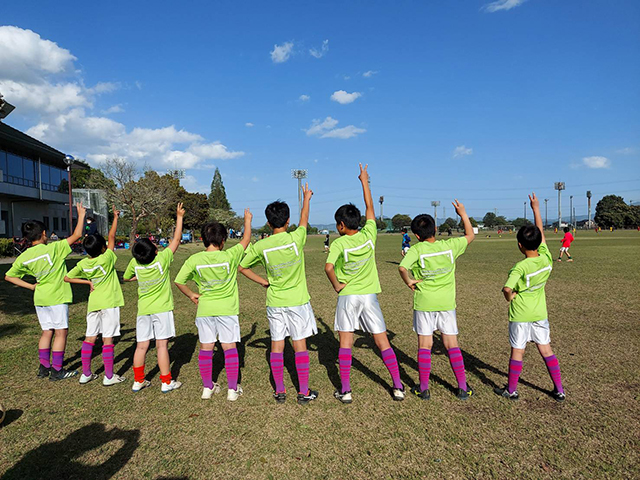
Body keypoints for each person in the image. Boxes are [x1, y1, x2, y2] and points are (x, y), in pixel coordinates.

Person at [325, 164, 405, 404]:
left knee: (345, 342)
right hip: (369, 296)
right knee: (382, 341)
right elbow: (370, 206)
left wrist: (337, 285)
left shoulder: (338, 244)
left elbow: (328, 268)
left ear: (340, 225)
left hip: (348, 296)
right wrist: (364, 181)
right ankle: (398, 386)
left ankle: (346, 391)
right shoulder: (370, 234)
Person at [239, 185, 319, 405]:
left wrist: (263, 281)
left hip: (274, 301)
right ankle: (303, 391)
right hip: (298, 301)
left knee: (276, 345)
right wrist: (307, 198)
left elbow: (242, 267)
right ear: (287, 221)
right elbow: (304, 218)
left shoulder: (261, 246)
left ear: (267, 223)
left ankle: (280, 391)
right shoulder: (297, 238)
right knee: (299, 344)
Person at [398, 200, 475, 401]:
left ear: (416, 236)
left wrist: (409, 282)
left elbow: (402, 268)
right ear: (436, 229)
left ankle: (423, 389)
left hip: (424, 303)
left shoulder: (416, 250)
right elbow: (470, 235)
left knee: (425, 345)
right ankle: (462, 387)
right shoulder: (450, 246)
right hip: (447, 304)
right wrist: (463, 214)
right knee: (452, 344)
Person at [174, 209, 253, 401]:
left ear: (203, 239)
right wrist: (247, 221)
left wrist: (192, 294)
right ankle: (232, 390)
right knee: (229, 347)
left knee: (206, 348)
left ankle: (207, 387)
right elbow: (246, 240)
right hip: (227, 310)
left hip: (205, 310)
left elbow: (179, 281)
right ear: (223, 240)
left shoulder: (195, 259)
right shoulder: (230, 255)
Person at [496, 193, 565, 402]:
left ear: (519, 245)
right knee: (546, 350)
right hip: (539, 312)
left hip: (520, 314)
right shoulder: (546, 259)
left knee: (518, 351)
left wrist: (510, 296)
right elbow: (541, 233)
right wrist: (536, 208)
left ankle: (512, 389)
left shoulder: (519, 267)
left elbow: (507, 289)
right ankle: (559, 389)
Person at [5, 202, 87, 381]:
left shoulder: (24, 256)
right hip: (57, 297)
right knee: (61, 332)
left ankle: (44, 367)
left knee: (46, 331)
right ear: (43, 234)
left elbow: (9, 276)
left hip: (40, 297)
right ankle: (57, 370)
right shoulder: (54, 248)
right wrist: (81, 215)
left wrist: (31, 286)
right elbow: (77, 235)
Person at [123, 203, 185, 394]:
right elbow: (176, 240)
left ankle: (138, 380)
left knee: (141, 346)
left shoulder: (134, 263)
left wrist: (138, 277)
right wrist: (179, 217)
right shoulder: (162, 259)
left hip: (144, 310)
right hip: (162, 308)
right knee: (161, 346)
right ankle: (166, 382)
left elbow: (126, 277)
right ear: (155, 251)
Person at [64, 205, 126, 386]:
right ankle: (108, 376)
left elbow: (67, 278)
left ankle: (86, 373)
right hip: (109, 303)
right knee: (108, 339)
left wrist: (88, 282)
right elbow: (112, 237)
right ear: (103, 248)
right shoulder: (107, 258)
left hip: (94, 304)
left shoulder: (83, 264)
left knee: (90, 337)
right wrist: (115, 217)